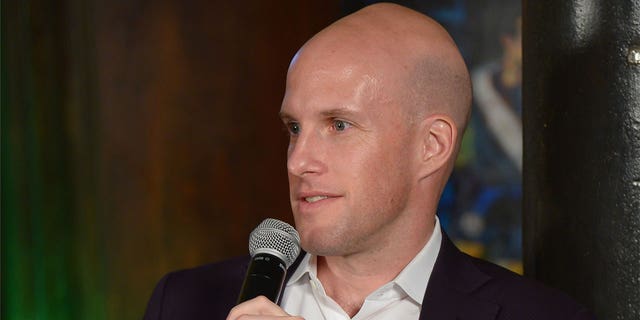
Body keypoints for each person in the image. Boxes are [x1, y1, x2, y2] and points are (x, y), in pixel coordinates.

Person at [143, 3, 594, 319]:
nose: (299, 161)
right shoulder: (184, 302)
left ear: (431, 146)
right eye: (294, 128)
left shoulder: (542, 316)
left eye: (339, 125)